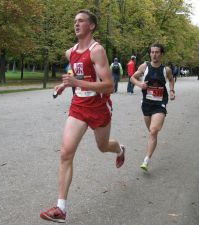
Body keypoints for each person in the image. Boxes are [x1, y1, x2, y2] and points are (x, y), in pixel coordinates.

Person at [40, 9, 126, 223]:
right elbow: (75, 71)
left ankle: (119, 149)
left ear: (92, 26)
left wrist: (77, 83)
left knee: (103, 146)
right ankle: (61, 208)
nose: (76, 24)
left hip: (99, 106)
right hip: (79, 105)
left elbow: (109, 86)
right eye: (75, 21)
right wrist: (64, 83)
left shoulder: (97, 50)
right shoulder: (70, 52)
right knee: (65, 153)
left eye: (81, 21)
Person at [130, 43, 175, 171]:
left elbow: (171, 79)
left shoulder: (166, 70)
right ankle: (152, 142)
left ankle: (146, 160)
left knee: (154, 130)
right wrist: (140, 84)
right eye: (152, 52)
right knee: (151, 131)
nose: (154, 54)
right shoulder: (145, 66)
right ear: (150, 53)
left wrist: (172, 91)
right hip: (146, 103)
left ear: (161, 54)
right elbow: (132, 78)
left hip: (160, 103)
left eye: (157, 52)